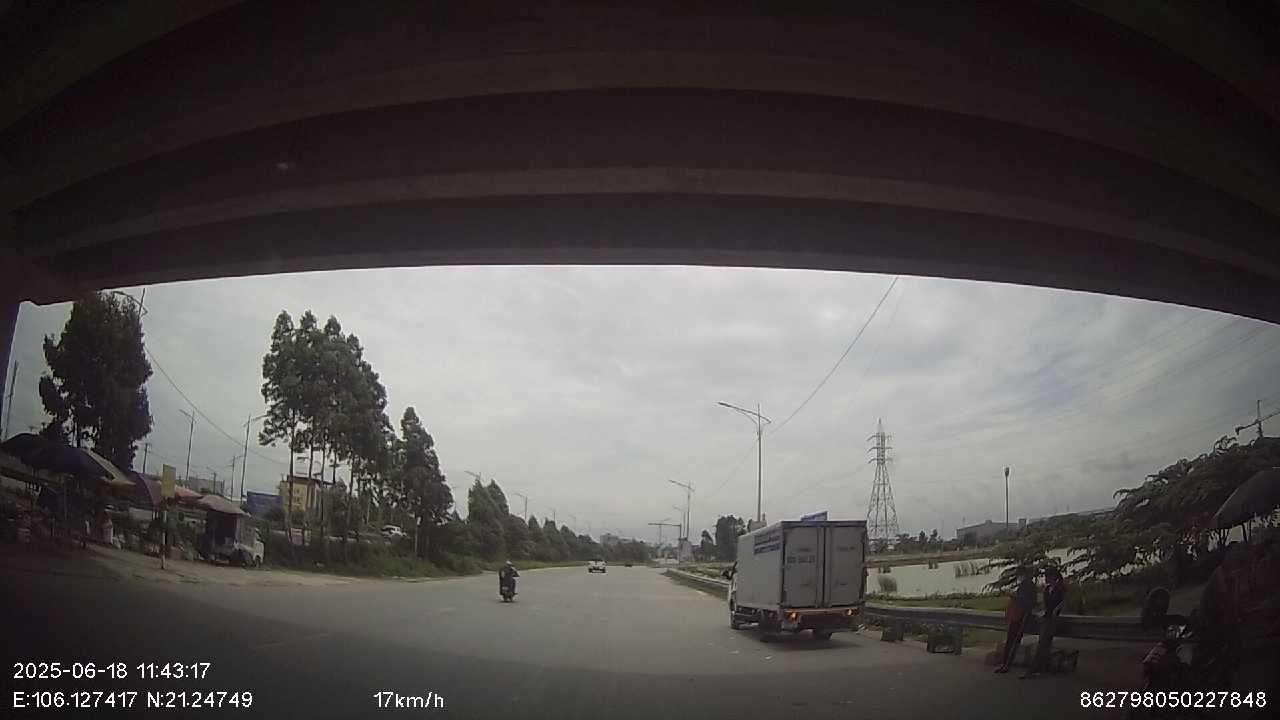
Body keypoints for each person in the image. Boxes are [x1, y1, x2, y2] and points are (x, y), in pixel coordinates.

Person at [1022, 566, 1067, 679]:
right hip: (1046, 618)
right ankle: (1040, 668)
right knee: (1043, 644)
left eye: (1047, 576)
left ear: (1053, 577)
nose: (1045, 578)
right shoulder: (1047, 589)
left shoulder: (1060, 588)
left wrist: (1057, 610)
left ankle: (1034, 669)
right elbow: (1045, 605)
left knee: (1043, 644)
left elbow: (1063, 601)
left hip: (1054, 619)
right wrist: (1039, 612)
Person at [995, 567, 1035, 673]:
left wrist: (1014, 597)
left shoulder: (1027, 585)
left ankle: (1006, 664)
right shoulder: (1028, 584)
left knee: (1012, 641)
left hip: (1021, 616)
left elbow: (1026, 601)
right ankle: (1005, 663)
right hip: (1020, 615)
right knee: (1012, 641)